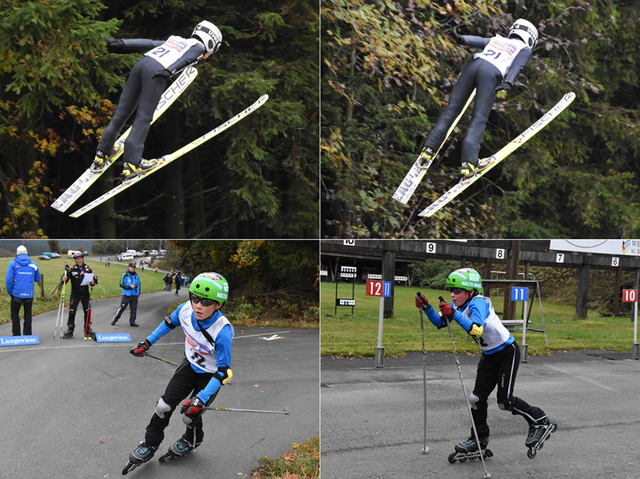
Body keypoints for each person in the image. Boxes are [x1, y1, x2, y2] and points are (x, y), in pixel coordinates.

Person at [415, 268, 552, 455]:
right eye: (451, 290)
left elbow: (477, 330)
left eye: (457, 291)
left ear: (470, 292)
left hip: (506, 352)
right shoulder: (461, 305)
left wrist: (453, 315)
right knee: (476, 399)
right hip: (489, 355)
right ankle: (478, 439)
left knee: (505, 402)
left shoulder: (477, 303)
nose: (452, 295)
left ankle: (539, 420)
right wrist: (427, 308)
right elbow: (440, 323)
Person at [125, 272, 233, 467]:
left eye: (206, 301)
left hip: (210, 376)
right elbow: (168, 323)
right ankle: (150, 444)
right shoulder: (185, 309)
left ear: (219, 305)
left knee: (190, 414)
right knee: (163, 406)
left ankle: (192, 440)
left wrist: (200, 399)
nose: (198, 305)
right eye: (195, 298)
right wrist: (147, 342)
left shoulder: (222, 331)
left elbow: (224, 372)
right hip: (189, 366)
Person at [91, 21, 222, 179]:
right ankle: (132, 164)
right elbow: (188, 58)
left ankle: (101, 154)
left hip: (141, 64)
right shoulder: (199, 48)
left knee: (121, 113)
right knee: (144, 117)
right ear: (210, 43)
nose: (209, 55)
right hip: (156, 71)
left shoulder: (178, 40)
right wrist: (169, 70)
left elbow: (149, 43)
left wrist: (121, 44)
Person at [417, 19, 537, 178]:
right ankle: (469, 163)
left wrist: (460, 38)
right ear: (530, 38)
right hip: (490, 73)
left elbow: (478, 40)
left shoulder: (498, 39)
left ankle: (428, 150)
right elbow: (517, 66)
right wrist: (508, 81)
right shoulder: (524, 49)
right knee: (478, 118)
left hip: (473, 65)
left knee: (451, 109)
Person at [5, 245, 40, 336]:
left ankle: (16, 334)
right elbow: (38, 279)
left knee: (14, 314)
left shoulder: (13, 263)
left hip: (16, 294)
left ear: (17, 253)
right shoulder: (33, 264)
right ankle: (27, 334)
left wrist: (10, 292)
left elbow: (8, 279)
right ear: (26, 253)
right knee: (28, 314)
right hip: (29, 294)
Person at [61, 252, 98, 339]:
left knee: (87, 312)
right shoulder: (71, 269)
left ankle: (88, 330)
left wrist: (93, 282)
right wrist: (64, 279)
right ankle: (70, 330)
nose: (79, 260)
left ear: (83, 259)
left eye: (80, 258)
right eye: (77, 259)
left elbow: (92, 283)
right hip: (75, 294)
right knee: (72, 312)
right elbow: (64, 281)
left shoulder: (88, 269)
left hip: (85, 294)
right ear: (75, 260)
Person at [112, 263, 141, 327]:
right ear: (129, 267)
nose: (133, 268)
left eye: (134, 267)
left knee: (133, 309)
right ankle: (115, 319)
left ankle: (132, 321)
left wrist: (138, 293)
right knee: (122, 308)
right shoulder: (125, 275)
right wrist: (130, 286)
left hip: (134, 295)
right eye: (132, 267)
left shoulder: (136, 275)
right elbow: (121, 284)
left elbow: (138, 284)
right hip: (126, 295)